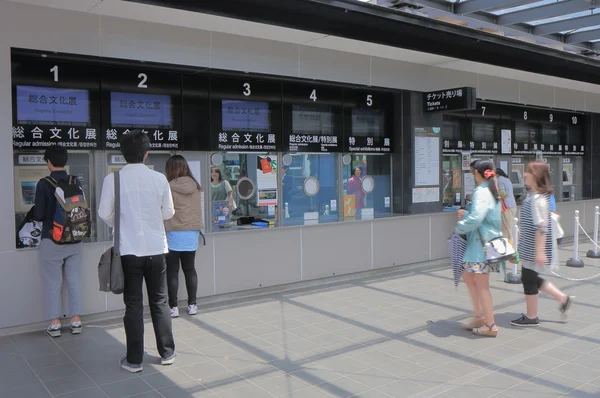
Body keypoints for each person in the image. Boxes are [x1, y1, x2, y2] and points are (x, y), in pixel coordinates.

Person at [98, 131, 176, 373]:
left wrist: (121, 223)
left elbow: (104, 213)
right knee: (160, 301)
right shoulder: (159, 178)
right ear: (146, 153)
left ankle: (134, 360)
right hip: (156, 249)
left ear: (122, 154)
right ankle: (167, 353)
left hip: (128, 251)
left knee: (133, 304)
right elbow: (169, 212)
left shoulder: (113, 180)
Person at [511, 161, 574, 327]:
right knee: (530, 277)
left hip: (534, 248)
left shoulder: (537, 199)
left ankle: (532, 317)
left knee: (528, 279)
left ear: (536, 177)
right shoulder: (533, 196)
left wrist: (539, 252)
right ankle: (563, 298)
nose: (524, 175)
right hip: (530, 246)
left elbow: (542, 228)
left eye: (528, 173)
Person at [32, 146, 83, 337]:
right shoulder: (74, 181)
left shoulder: (44, 183)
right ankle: (76, 320)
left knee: (53, 281)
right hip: (75, 239)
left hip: (52, 239)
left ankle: (55, 324)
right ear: (65, 162)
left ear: (48, 162)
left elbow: (38, 213)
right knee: (74, 280)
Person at [456, 159, 502, 337]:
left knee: (481, 285)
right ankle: (479, 316)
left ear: (476, 173)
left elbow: (476, 218)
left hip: (481, 246)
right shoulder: (491, 190)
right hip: (484, 244)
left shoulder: (481, 192)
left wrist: (461, 223)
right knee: (468, 276)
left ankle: (489, 324)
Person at [164, 155, 203, 318]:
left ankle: (173, 307)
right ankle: (192, 304)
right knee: (190, 269)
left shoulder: (168, 186)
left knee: (172, 271)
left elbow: (165, 210)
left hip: (174, 231)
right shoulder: (195, 186)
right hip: (192, 232)